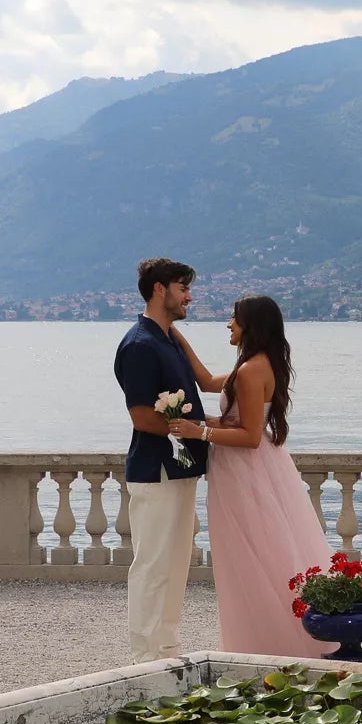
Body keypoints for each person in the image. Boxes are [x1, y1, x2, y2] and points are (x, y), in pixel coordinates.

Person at [166, 294, 337, 659]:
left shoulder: (249, 370)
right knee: (266, 554)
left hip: (245, 474)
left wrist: (201, 433)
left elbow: (250, 436)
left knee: (250, 559)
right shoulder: (258, 364)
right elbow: (210, 381)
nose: (229, 323)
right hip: (257, 471)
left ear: (251, 325)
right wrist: (176, 336)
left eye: (234, 318)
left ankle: (261, 646)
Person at [113, 258, 208, 661]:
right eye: (182, 288)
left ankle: (167, 647)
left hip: (180, 468)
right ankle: (144, 657)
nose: (189, 296)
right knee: (152, 564)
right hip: (155, 471)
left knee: (175, 565)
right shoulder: (139, 345)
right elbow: (139, 415)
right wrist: (186, 427)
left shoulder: (167, 339)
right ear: (159, 290)